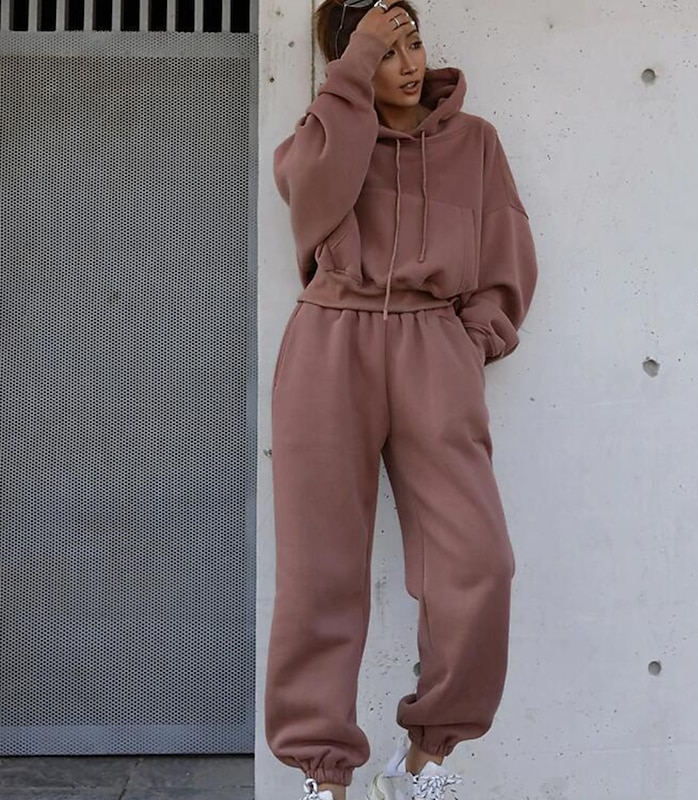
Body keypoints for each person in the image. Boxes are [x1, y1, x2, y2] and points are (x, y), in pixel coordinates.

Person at [265, 1, 538, 798]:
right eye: (385, 51)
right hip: (329, 344)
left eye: (412, 42)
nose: (409, 63)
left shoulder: (474, 142)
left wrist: (467, 342)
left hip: (431, 347)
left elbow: (506, 256)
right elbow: (309, 197)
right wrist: (351, 75)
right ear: (349, 64)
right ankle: (325, 775)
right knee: (320, 570)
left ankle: (425, 759)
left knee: (478, 563)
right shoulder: (320, 139)